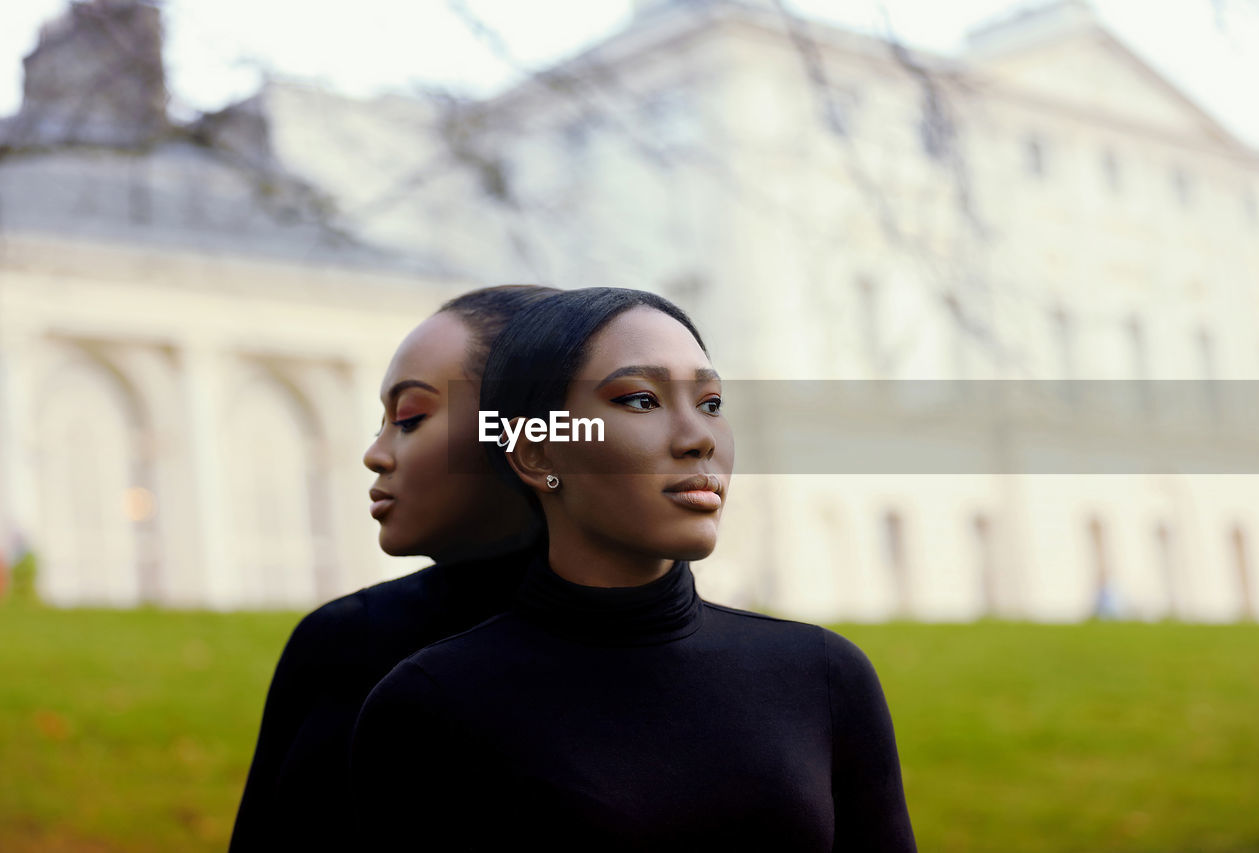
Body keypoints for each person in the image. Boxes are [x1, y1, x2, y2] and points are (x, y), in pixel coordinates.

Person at [351, 287, 916, 851]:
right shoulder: (432, 703)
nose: (698, 439)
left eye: (711, 403)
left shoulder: (822, 675)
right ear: (536, 452)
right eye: (641, 400)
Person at [229, 284, 558, 852]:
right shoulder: (340, 644)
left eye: (410, 418)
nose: (375, 454)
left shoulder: (733, 664)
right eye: (383, 422)